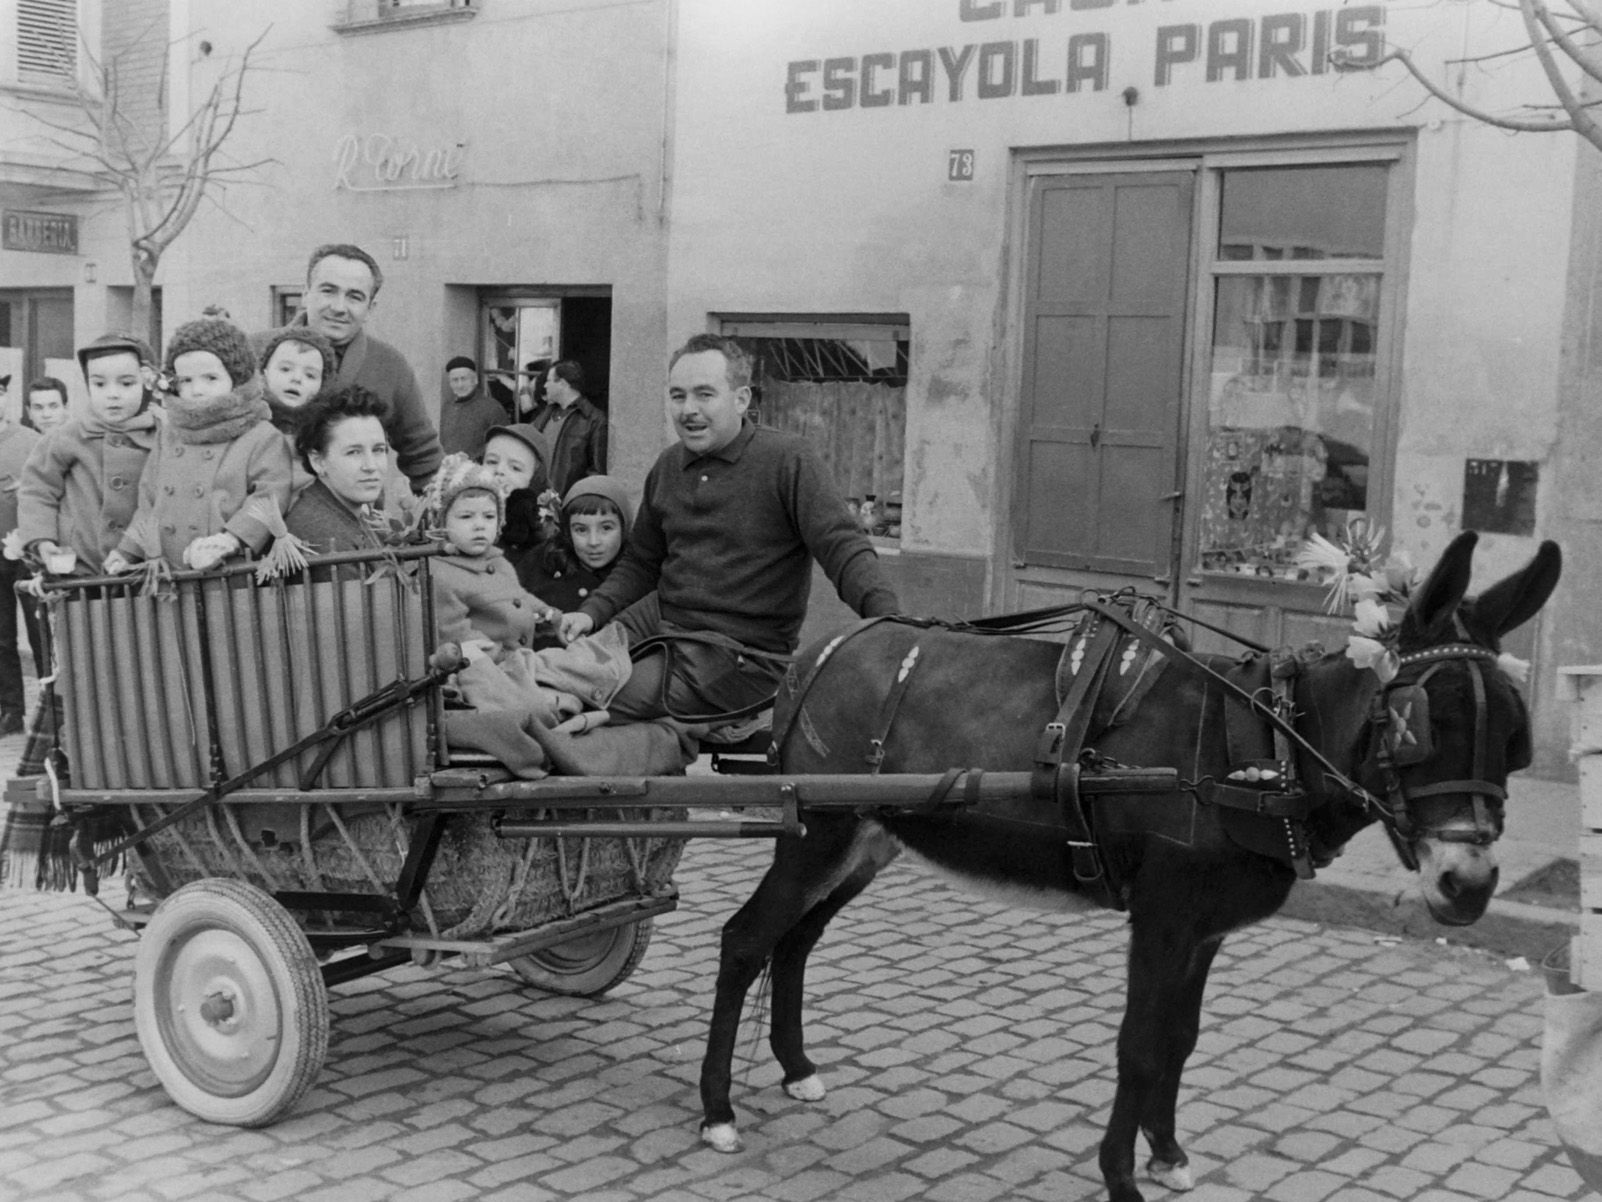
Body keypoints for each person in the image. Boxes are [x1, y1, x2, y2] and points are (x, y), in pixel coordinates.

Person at [559, 334, 900, 723]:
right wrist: (592, 613)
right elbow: (641, 562)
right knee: (558, 675)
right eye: (677, 396)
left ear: (741, 399)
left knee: (595, 699)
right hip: (659, 627)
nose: (688, 410)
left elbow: (842, 547)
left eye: (705, 394)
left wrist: (889, 622)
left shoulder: (788, 460)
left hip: (739, 657)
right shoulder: (668, 465)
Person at [104, 319, 291, 573]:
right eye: (186, 380)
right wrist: (128, 550)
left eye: (211, 378)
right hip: (168, 568)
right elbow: (149, 500)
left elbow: (269, 495)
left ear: (235, 379)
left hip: (229, 569)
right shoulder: (169, 435)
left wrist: (231, 539)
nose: (197, 390)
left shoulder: (261, 436)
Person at [279, 243, 443, 493]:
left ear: (370, 308)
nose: (339, 307)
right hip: (263, 513)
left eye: (354, 297)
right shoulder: (257, 354)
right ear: (305, 294)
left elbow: (425, 460)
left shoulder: (390, 366)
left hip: (354, 515)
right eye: (328, 291)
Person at [18, 333, 160, 575]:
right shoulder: (67, 436)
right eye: (99, 384)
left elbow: (163, 501)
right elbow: (37, 489)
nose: (112, 394)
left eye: (126, 383)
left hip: (144, 569)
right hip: (79, 567)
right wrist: (42, 540)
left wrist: (131, 548)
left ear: (148, 384)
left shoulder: (164, 437)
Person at [423, 454, 558, 653]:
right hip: (481, 664)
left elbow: (518, 597)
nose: (480, 525)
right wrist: (494, 655)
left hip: (519, 658)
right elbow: (451, 631)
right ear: (441, 522)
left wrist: (543, 612)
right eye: (466, 516)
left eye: (489, 516)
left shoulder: (498, 562)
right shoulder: (442, 574)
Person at [283, 385, 393, 562]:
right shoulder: (320, 531)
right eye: (354, 452)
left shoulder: (350, 511)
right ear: (318, 461)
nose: (371, 466)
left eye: (378, 450)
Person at [518, 474, 631, 610]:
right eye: (581, 530)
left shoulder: (635, 577)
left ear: (624, 527)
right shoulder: (540, 564)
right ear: (567, 532)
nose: (593, 542)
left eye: (606, 528)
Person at [0, 397, 40, 733]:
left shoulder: (31, 441)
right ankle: (11, 712)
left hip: (26, 550)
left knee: (39, 632)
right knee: (1, 636)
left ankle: (50, 708)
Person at [534, 359, 607, 497]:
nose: (545, 385)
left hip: (567, 501)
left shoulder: (594, 420)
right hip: (538, 498)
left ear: (562, 383)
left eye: (549, 380)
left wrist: (576, 500)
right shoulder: (546, 415)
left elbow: (596, 472)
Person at [483, 422, 553, 559]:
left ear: (535, 479)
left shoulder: (542, 538)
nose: (499, 470)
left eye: (515, 468)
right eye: (492, 461)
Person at [438, 356, 506, 458]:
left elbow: (502, 444)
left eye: (464, 379)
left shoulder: (492, 408)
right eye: (455, 380)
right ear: (450, 383)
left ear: (475, 380)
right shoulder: (447, 408)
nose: (460, 385)